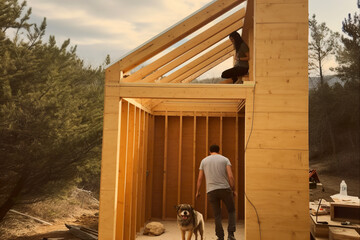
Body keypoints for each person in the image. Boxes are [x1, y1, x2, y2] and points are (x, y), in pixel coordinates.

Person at [196, 144, 237, 240]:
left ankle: (220, 236)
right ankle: (231, 235)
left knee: (217, 214)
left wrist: (197, 191)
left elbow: (200, 178)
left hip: (211, 191)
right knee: (231, 211)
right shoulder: (225, 159)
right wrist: (234, 189)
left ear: (209, 151)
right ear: (219, 151)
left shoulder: (204, 161)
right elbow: (230, 176)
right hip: (225, 189)